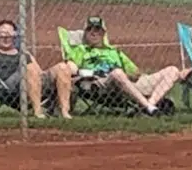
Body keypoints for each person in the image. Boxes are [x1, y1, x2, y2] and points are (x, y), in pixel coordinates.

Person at [46, 15, 180, 116]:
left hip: (129, 83)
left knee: (173, 70)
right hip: (102, 83)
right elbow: (72, 70)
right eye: (90, 29)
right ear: (85, 33)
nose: (94, 32)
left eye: (98, 30)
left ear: (103, 33)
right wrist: (89, 73)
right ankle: (150, 109)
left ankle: (149, 104)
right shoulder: (80, 50)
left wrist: (130, 75)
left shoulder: (114, 50)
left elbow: (135, 73)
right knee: (117, 73)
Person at [0, 19, 57, 118]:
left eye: (9, 34)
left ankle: (64, 112)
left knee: (62, 68)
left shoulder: (25, 53)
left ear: (15, 36)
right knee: (28, 68)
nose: (6, 37)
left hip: (32, 85)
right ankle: (38, 112)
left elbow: (39, 73)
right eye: (2, 34)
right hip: (6, 88)